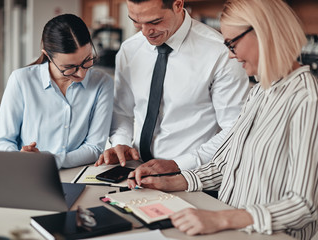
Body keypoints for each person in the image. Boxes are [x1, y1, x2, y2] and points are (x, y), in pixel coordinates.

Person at [127, 0, 318, 239]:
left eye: (232, 44)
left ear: (263, 32)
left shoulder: (308, 100)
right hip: (232, 229)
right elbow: (225, 164)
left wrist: (221, 218)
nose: (229, 55)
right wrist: (173, 182)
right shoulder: (261, 91)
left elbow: (304, 205)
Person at [95, 0, 249, 171]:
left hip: (192, 175)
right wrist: (121, 142)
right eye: (136, 22)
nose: (145, 32)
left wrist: (179, 165)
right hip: (136, 169)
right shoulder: (129, 49)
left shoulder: (220, 52)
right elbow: (122, 111)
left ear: (178, 5)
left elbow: (234, 129)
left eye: (154, 22)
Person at [0, 14, 114, 169]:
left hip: (77, 175)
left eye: (87, 60)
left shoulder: (103, 83)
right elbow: (2, 142)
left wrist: (49, 161)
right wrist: (21, 158)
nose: (81, 74)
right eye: (69, 67)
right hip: (28, 172)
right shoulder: (21, 80)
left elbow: (94, 147)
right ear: (48, 55)